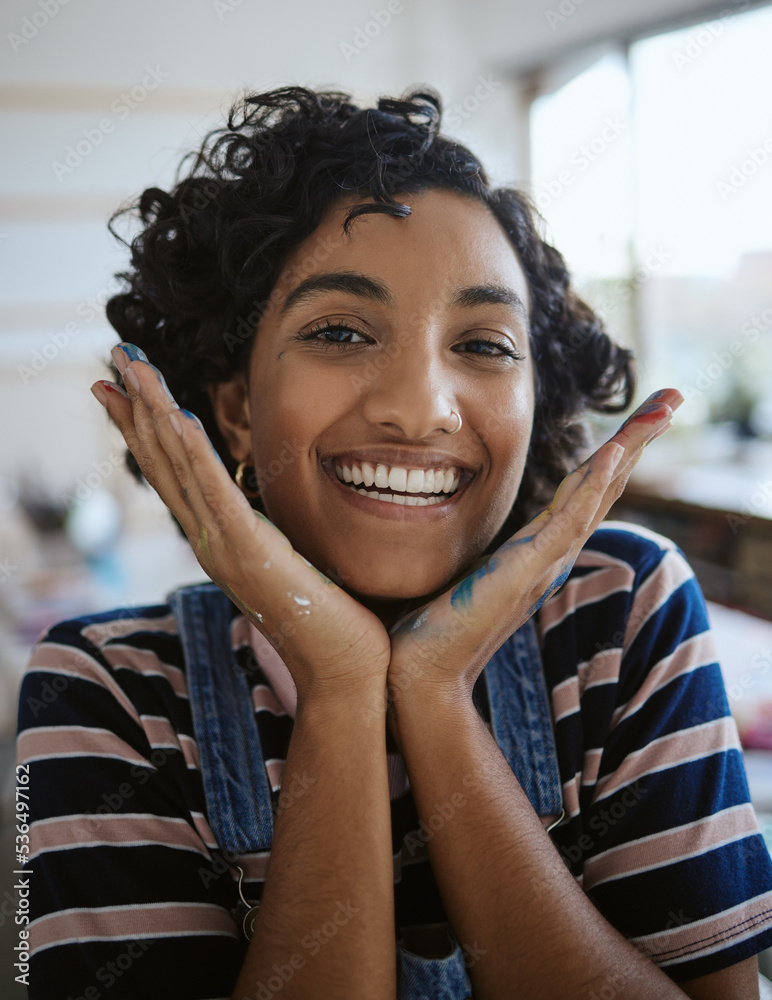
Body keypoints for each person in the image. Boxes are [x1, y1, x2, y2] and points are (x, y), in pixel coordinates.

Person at [16, 85, 772, 1000]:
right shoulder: (100, 690)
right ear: (235, 412)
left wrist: (435, 688)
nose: (420, 408)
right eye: (339, 331)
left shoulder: (621, 607)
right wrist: (339, 687)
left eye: (486, 345)